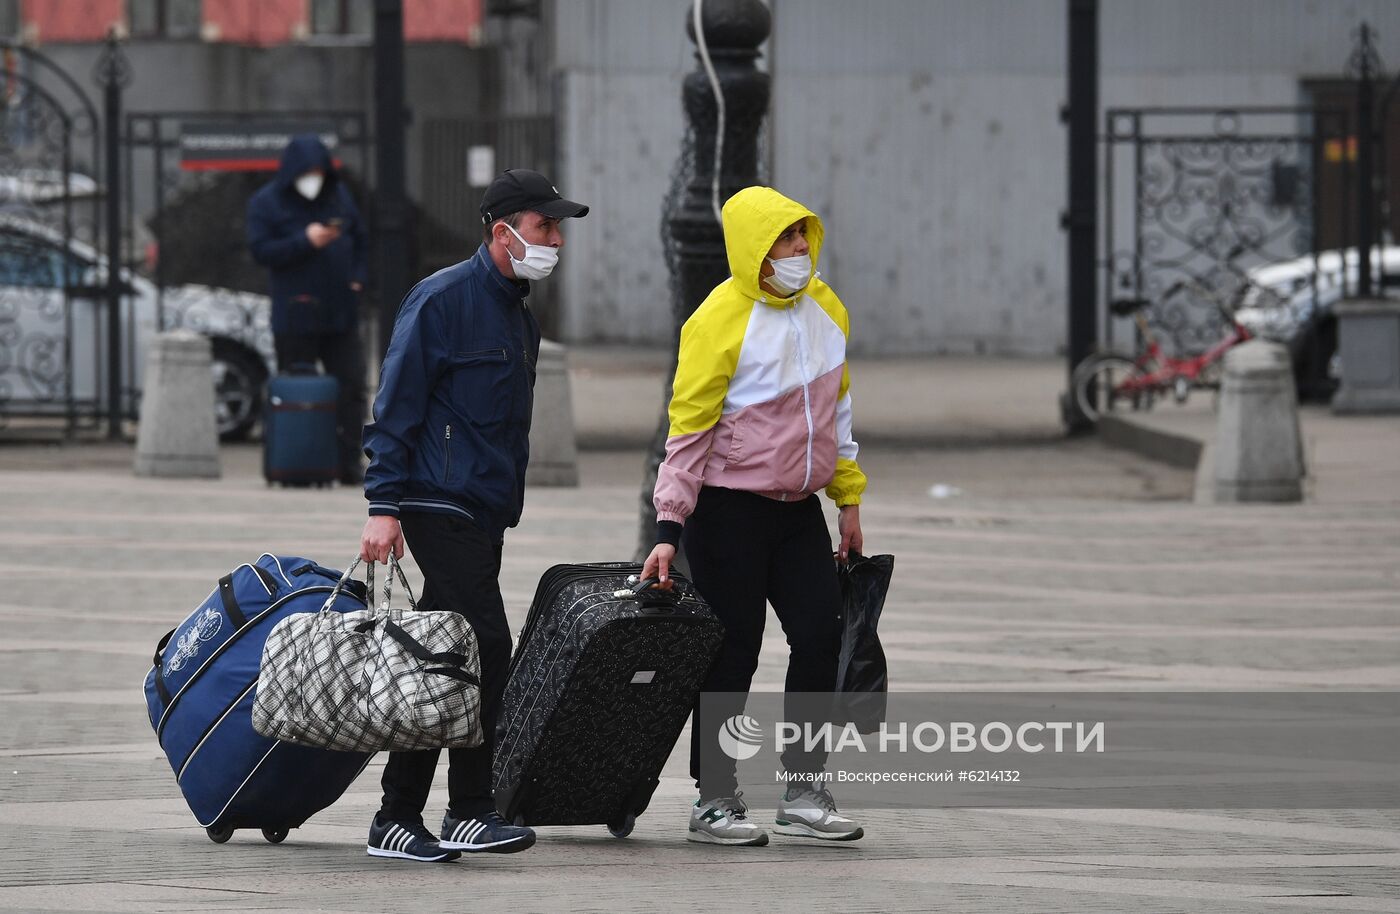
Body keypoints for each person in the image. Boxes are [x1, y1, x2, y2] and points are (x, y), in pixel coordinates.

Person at [358, 168, 588, 863]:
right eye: (545, 227)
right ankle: (452, 809)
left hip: (484, 510)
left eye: (557, 229)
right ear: (503, 231)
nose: (555, 240)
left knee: (448, 653)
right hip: (435, 500)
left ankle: (415, 817)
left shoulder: (520, 314)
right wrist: (382, 504)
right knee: (486, 642)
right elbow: (395, 406)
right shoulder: (441, 299)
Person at [642, 186, 868, 847]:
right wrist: (668, 527)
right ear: (752, 249)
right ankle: (714, 799)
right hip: (728, 512)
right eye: (783, 240)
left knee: (821, 640)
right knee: (732, 654)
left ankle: (804, 790)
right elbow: (686, 431)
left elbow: (838, 413)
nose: (798, 250)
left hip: (799, 511)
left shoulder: (825, 308)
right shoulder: (717, 319)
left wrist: (848, 497)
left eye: (802, 236)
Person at [247, 133, 369, 484]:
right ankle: (296, 461)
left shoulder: (338, 196)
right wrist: (305, 241)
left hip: (340, 309)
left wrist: (358, 277)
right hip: (295, 313)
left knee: (351, 386)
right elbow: (261, 251)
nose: (314, 178)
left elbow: (360, 238)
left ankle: (347, 463)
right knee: (296, 388)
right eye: (308, 171)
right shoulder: (267, 203)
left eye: (319, 170)